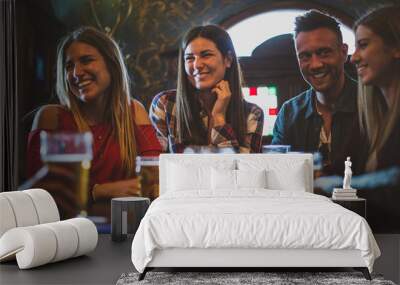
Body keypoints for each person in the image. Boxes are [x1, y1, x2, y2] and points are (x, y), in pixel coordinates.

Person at [26, 27, 162, 219]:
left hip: (125, 230)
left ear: (111, 64)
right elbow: (38, 196)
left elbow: (154, 178)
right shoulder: (51, 117)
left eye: (86, 60)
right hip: (68, 234)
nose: (76, 73)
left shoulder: (134, 111)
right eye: (68, 66)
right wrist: (100, 191)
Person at [314, 5, 400, 232]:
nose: (354, 57)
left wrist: (326, 184)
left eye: (363, 45)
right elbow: (341, 171)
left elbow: (393, 183)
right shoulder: (370, 119)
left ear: (395, 48)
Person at [272, 10, 361, 176]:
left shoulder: (372, 104)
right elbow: (276, 175)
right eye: (305, 56)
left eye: (323, 52)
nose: (315, 65)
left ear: (343, 53)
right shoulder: (288, 112)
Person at [149, 25, 264, 153]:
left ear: (228, 59)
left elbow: (239, 170)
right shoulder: (165, 104)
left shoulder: (252, 114)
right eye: (190, 58)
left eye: (206, 55)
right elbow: (157, 165)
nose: (197, 65)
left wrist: (219, 118)